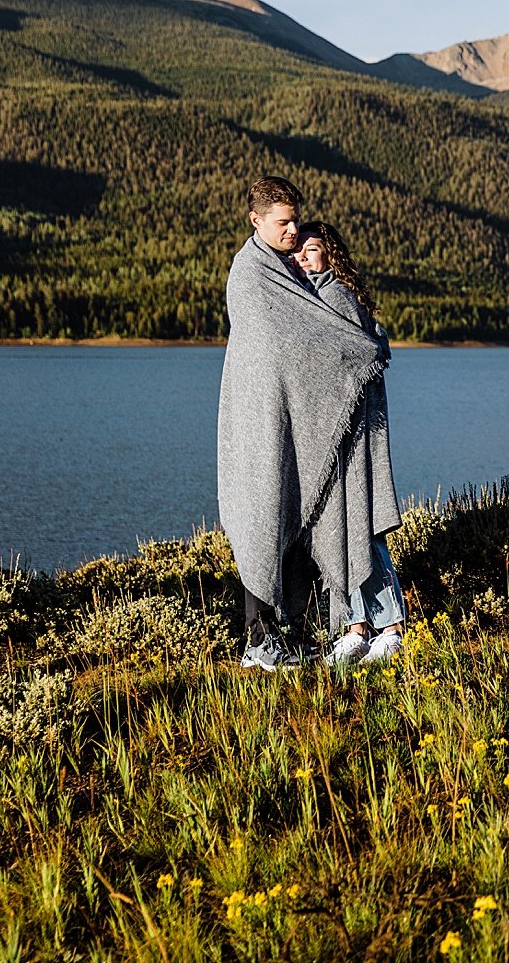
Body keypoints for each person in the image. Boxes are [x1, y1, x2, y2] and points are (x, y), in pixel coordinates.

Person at [217, 176, 391, 671]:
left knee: (288, 516)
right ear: (256, 221)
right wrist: (360, 351)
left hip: (291, 416)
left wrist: (356, 344)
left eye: (296, 219)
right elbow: (281, 344)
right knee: (261, 519)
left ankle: (282, 635)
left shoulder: (285, 268)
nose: (294, 229)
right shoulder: (250, 274)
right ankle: (259, 641)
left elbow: (314, 331)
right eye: (283, 222)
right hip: (258, 418)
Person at [291, 221, 406, 665]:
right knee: (340, 530)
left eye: (313, 249)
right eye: (298, 251)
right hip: (332, 438)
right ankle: (355, 626)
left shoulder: (335, 295)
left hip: (351, 436)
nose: (303, 257)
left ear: (330, 255)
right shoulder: (308, 299)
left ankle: (390, 627)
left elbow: (359, 357)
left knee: (361, 527)